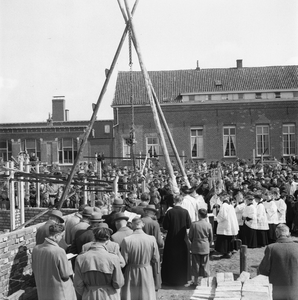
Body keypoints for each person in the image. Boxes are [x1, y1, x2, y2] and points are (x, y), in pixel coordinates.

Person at [74, 225, 124, 300]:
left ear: (94, 238)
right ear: (107, 240)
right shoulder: (114, 258)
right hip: (109, 295)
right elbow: (118, 283)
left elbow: (78, 284)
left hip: (89, 295)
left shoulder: (80, 258)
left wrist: (87, 292)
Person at [32, 224, 76, 300]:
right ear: (56, 236)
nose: (61, 239)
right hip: (60, 293)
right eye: (61, 236)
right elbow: (65, 275)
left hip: (43, 292)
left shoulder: (36, 249)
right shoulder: (59, 251)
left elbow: (34, 268)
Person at [120, 217, 160, 300]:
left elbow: (124, 260)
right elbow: (156, 258)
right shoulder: (151, 239)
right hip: (147, 270)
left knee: (131, 294)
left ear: (132, 225)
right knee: (147, 294)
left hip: (131, 271)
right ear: (143, 225)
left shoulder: (126, 240)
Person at [258, 224, 298, 300]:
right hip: (295, 289)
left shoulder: (271, 248)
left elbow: (263, 270)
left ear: (276, 234)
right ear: (289, 234)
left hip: (277, 291)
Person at [161, 194, 192, 286]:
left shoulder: (170, 212)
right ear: (181, 201)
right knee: (182, 259)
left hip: (171, 238)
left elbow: (165, 226)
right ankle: (183, 279)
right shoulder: (185, 212)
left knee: (171, 258)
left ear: (174, 201)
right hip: (182, 238)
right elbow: (189, 225)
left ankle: (170, 279)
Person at [189, 208, 213, 284]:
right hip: (205, 246)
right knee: (205, 264)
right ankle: (206, 280)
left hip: (196, 246)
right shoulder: (208, 225)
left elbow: (190, 236)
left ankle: (195, 281)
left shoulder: (194, 224)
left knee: (195, 264)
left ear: (199, 215)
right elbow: (211, 238)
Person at [215, 193, 239, 258]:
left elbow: (223, 216)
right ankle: (229, 250)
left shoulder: (224, 205)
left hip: (225, 225)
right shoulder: (230, 205)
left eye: (220, 197)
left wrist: (217, 218)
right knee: (228, 239)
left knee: (224, 239)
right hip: (230, 224)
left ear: (224, 197)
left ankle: (226, 252)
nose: (219, 198)